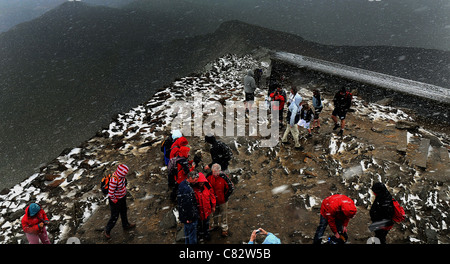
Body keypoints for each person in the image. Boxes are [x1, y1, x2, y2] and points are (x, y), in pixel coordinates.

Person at [104, 164, 135, 239]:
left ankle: (125, 225)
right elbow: (111, 193)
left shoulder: (122, 177)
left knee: (124, 211)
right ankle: (107, 231)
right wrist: (115, 201)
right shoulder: (114, 180)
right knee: (114, 216)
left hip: (122, 197)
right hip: (115, 200)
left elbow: (123, 184)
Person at [206, 163, 234, 237]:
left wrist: (225, 197)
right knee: (214, 213)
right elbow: (206, 185)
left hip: (222, 200)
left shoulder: (224, 177)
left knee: (223, 215)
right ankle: (215, 225)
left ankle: (224, 229)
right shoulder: (209, 176)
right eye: (213, 172)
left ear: (219, 171)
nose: (215, 174)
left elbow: (231, 188)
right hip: (213, 200)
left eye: (216, 173)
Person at [177, 170, 200, 244]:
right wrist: (190, 218)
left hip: (184, 216)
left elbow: (181, 203)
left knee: (187, 235)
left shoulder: (182, 184)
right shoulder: (188, 190)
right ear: (190, 178)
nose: (195, 182)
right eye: (195, 180)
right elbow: (189, 206)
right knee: (192, 236)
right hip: (190, 218)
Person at [193, 172, 216, 241]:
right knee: (199, 224)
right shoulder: (193, 189)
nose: (201, 183)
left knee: (206, 223)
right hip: (198, 211)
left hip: (206, 209)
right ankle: (200, 235)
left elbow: (212, 196)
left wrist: (213, 206)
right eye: (200, 182)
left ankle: (206, 234)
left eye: (202, 182)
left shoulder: (208, 186)